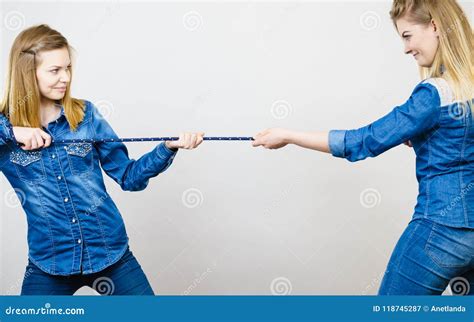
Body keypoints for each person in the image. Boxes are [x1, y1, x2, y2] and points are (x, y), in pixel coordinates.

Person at [252, 0, 474, 295]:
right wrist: (426, 138)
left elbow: (363, 141)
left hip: (439, 231)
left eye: (407, 36)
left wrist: (288, 135)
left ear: (435, 26)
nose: (406, 49)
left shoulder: (434, 94)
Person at [0, 24, 204, 295]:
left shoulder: (86, 115)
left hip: (110, 254)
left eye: (68, 68)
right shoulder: (6, 130)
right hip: (49, 264)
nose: (65, 78)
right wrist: (12, 130)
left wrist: (167, 148)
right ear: (27, 73)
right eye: (55, 70)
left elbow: (129, 177)